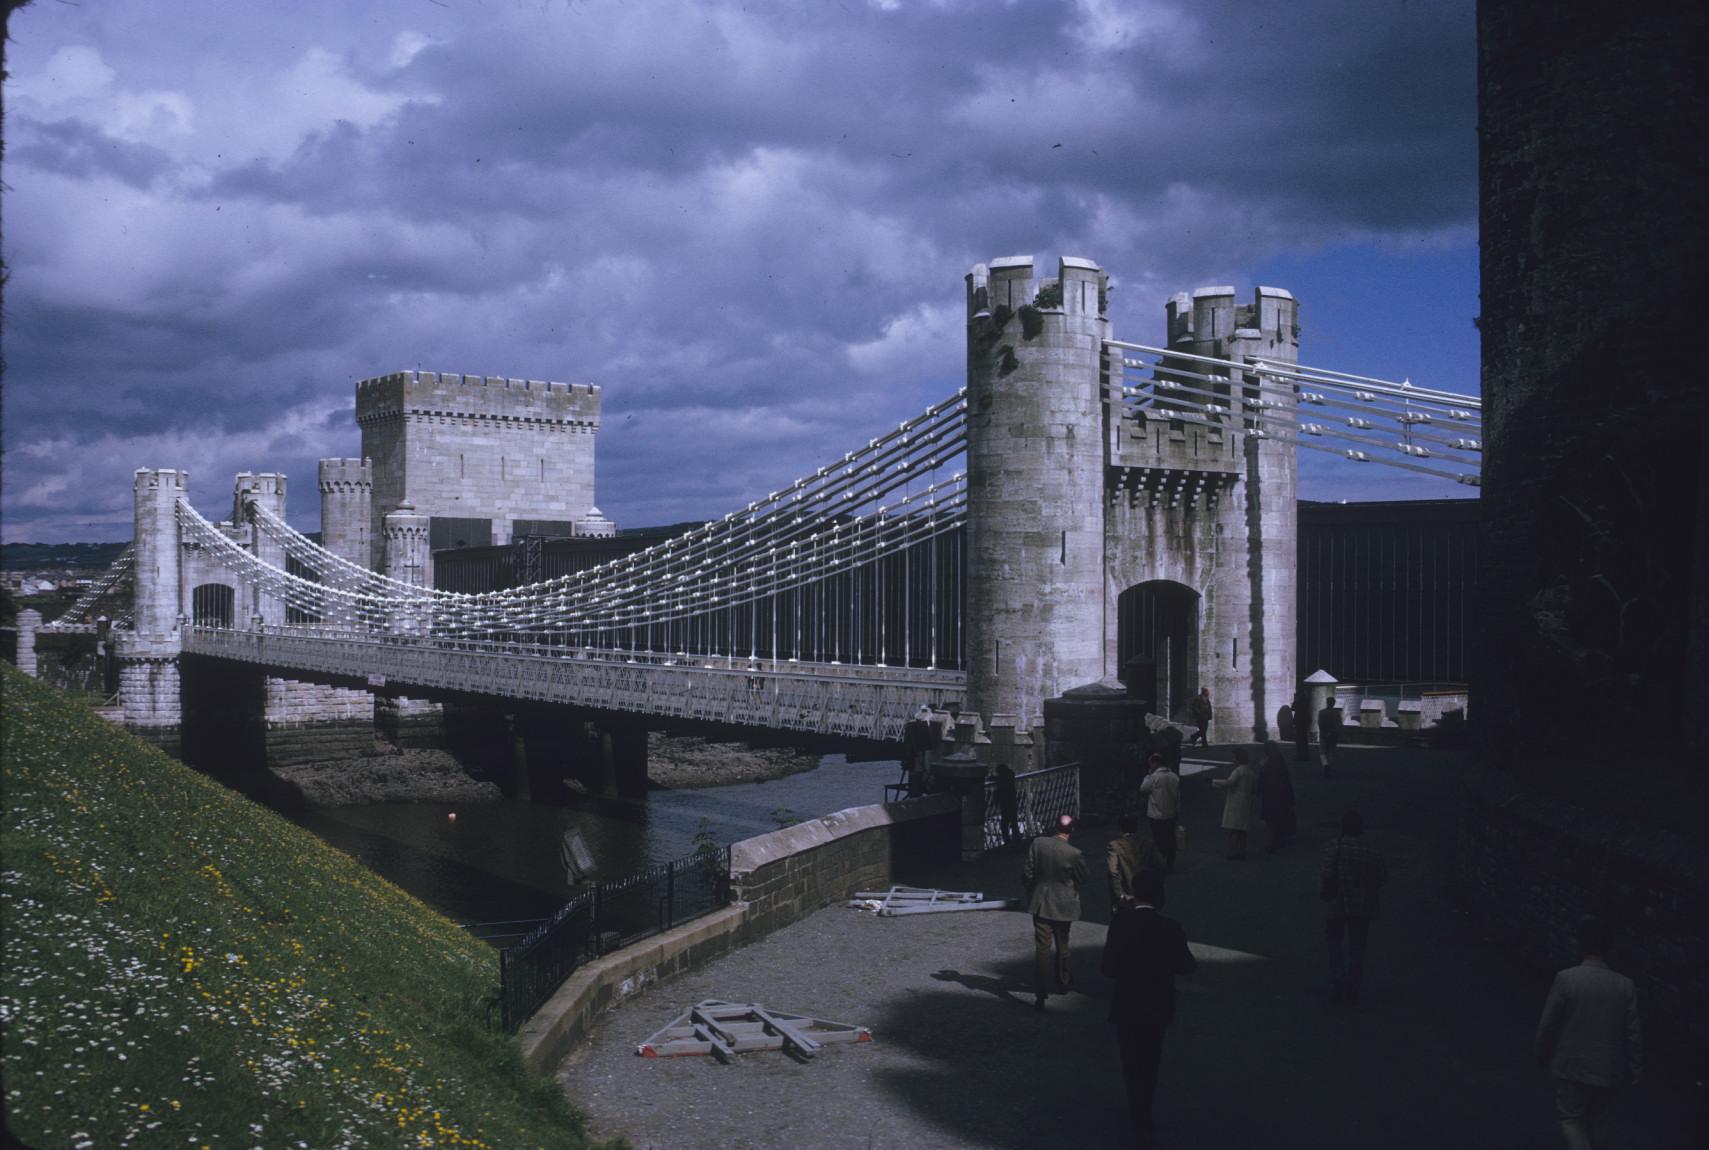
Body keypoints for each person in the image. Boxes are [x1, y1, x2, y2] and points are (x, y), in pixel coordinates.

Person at [1101, 869, 1196, 1150]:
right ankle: (1145, 1114)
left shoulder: (1120, 923)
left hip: (1127, 1002)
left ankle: (1136, 1110)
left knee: (1130, 1061)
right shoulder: (1170, 927)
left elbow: (1107, 968)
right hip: (1157, 1003)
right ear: (1160, 896)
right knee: (1150, 1060)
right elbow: (1186, 966)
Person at [1533, 916, 1643, 1150]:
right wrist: (1635, 1067)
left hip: (1571, 1065)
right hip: (1608, 1069)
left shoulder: (1567, 979)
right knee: (1600, 1122)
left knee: (1571, 1119)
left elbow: (1549, 1023)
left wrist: (1541, 1052)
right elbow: (1633, 1033)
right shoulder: (1625, 986)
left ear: (1581, 944)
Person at [1320, 808, 1386, 1005]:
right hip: (1363, 905)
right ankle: (1353, 987)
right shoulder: (1371, 852)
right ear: (1360, 830)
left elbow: (1327, 873)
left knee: (1334, 940)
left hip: (1338, 902)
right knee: (1358, 947)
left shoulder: (1335, 847)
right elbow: (1382, 878)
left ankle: (1338, 978)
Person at [1022, 813, 1087, 1010]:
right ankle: (1063, 981)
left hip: (1041, 902)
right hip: (1064, 904)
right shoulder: (1074, 853)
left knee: (1042, 948)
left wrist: (1032, 890)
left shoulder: (1038, 844)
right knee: (1063, 944)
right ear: (1072, 830)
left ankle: (1040, 993)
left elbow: (1027, 872)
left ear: (1054, 827)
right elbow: (1083, 878)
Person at [1107, 811, 1167, 909]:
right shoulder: (1148, 843)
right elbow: (1161, 864)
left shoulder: (1115, 846)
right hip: (1148, 891)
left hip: (1127, 893)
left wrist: (1120, 894)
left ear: (1120, 827)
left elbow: (1113, 871)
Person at [1209, 749, 1257, 859]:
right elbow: (1254, 789)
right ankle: (1242, 850)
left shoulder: (1238, 771)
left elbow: (1229, 783)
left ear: (1238, 759)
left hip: (1235, 802)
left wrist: (1213, 781)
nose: (1233, 759)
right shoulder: (1250, 772)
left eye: (1234, 757)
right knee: (1242, 829)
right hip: (1246, 802)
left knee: (1233, 828)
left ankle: (1233, 851)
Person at [1139, 752, 1181, 873]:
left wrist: (1147, 776)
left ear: (1154, 763)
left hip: (1156, 813)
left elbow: (1143, 789)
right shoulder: (1174, 776)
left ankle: (1159, 862)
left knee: (1158, 839)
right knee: (1170, 838)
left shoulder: (1154, 777)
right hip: (1171, 812)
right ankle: (1170, 862)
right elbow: (1178, 796)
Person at [1258, 740, 1297, 852]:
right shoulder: (1280, 761)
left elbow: (1262, 781)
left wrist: (1258, 791)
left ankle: (1270, 844)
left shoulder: (1266, 764)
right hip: (1280, 796)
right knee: (1277, 819)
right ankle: (1276, 842)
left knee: (1270, 821)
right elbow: (1286, 781)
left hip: (1270, 796)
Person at [993, 762, 1020, 845]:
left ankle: (1007, 842)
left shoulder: (1001, 779)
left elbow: (999, 790)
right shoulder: (1010, 776)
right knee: (1014, 823)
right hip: (1012, 802)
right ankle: (1017, 841)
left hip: (1005, 804)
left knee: (1004, 825)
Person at [1317, 697, 1344, 777]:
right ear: (1333, 703)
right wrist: (1333, 732)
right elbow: (1339, 725)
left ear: (1327, 702)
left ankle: (1325, 765)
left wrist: (1324, 732)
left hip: (1323, 735)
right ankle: (1329, 766)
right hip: (1333, 735)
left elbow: (1320, 724)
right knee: (1331, 752)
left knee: (1322, 752)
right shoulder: (1336, 713)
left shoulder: (1321, 712)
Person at [1292, 689, 1312, 763]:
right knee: (1304, 740)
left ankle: (1300, 756)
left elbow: (1293, 708)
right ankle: (1305, 756)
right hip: (1304, 722)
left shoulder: (1298, 702)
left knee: (1299, 741)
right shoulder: (1306, 701)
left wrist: (1295, 700)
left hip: (1299, 722)